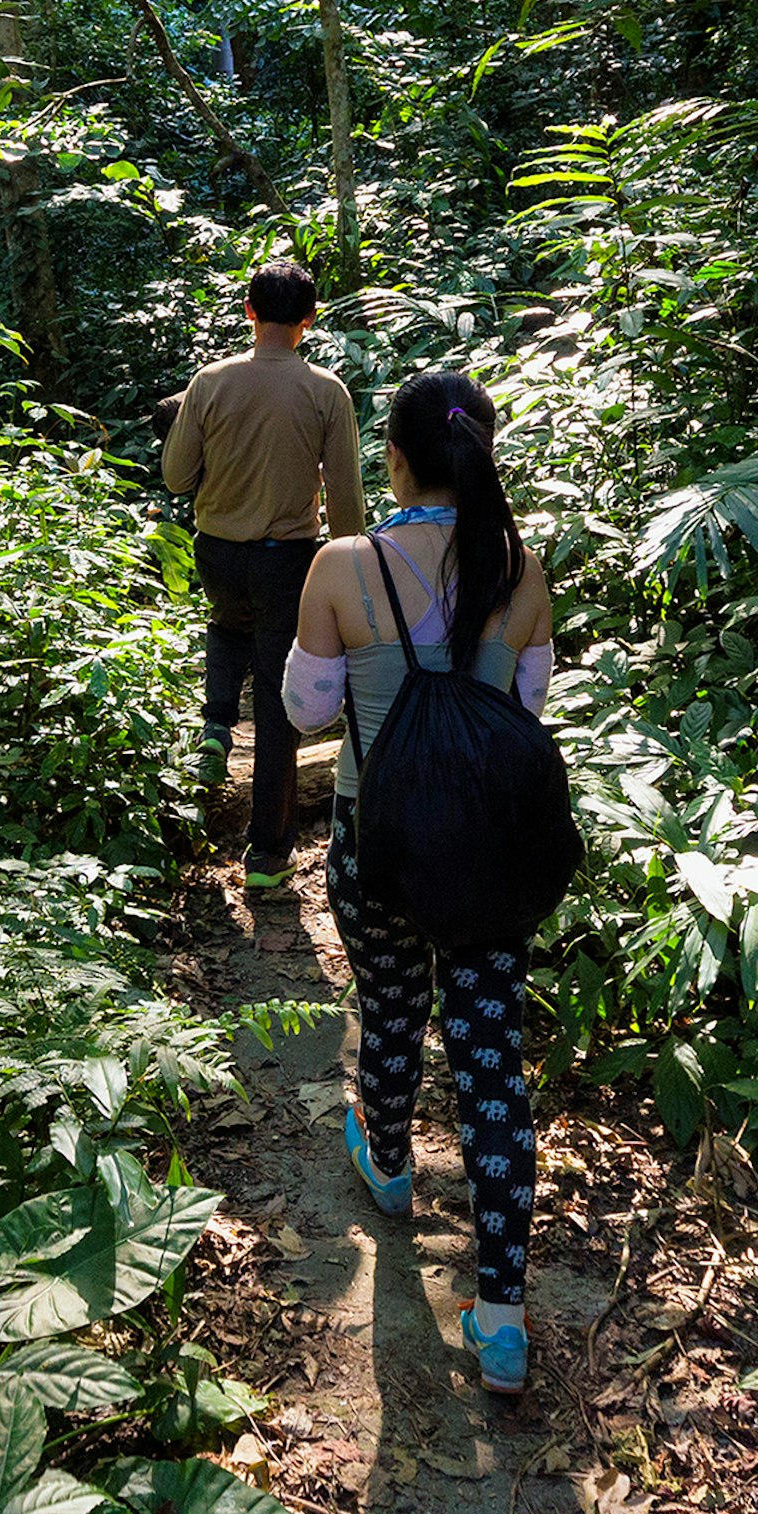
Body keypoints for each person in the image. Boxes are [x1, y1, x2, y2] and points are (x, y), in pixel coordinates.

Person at [280, 370, 555, 1398]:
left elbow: (308, 710)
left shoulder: (343, 566)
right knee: (490, 1059)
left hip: (377, 843)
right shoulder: (522, 568)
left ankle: (388, 1167)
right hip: (488, 851)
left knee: (391, 1008)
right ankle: (504, 1317)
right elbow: (526, 706)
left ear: (391, 458)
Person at [159, 261, 366, 893]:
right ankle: (268, 856)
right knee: (279, 701)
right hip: (288, 559)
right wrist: (348, 567)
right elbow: (348, 503)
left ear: (249, 312)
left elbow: (175, 477)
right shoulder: (326, 391)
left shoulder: (210, 381)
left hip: (218, 551)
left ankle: (216, 725)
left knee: (226, 625)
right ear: (308, 321)